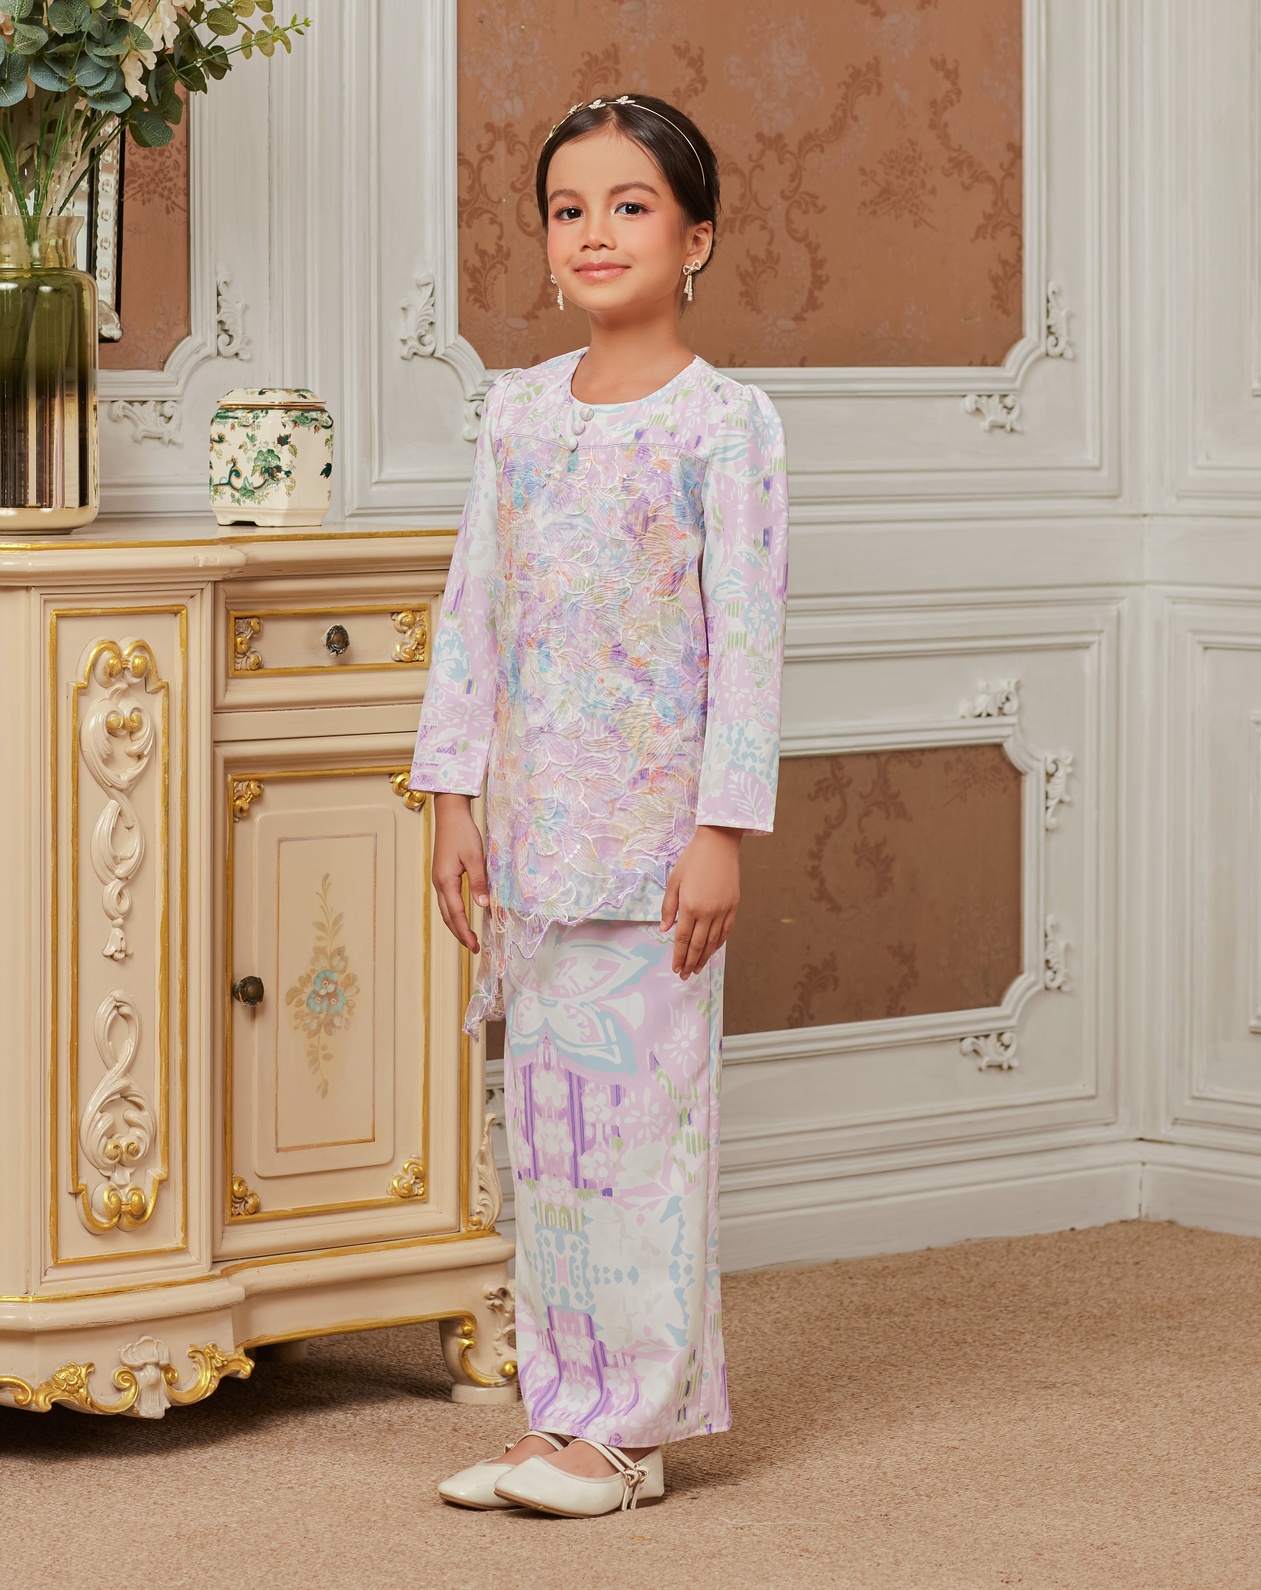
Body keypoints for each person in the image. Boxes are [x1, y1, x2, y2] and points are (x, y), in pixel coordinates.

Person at [409, 91, 789, 1519]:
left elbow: (748, 639)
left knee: (643, 1139)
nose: (595, 232)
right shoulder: (516, 414)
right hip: (533, 839)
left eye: (630, 205)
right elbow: (474, 613)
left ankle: (631, 1429)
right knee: (550, 1137)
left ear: (696, 237)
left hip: (655, 846)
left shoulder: (725, 427)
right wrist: (453, 795)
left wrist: (721, 830)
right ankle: (557, 1414)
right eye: (569, 209)